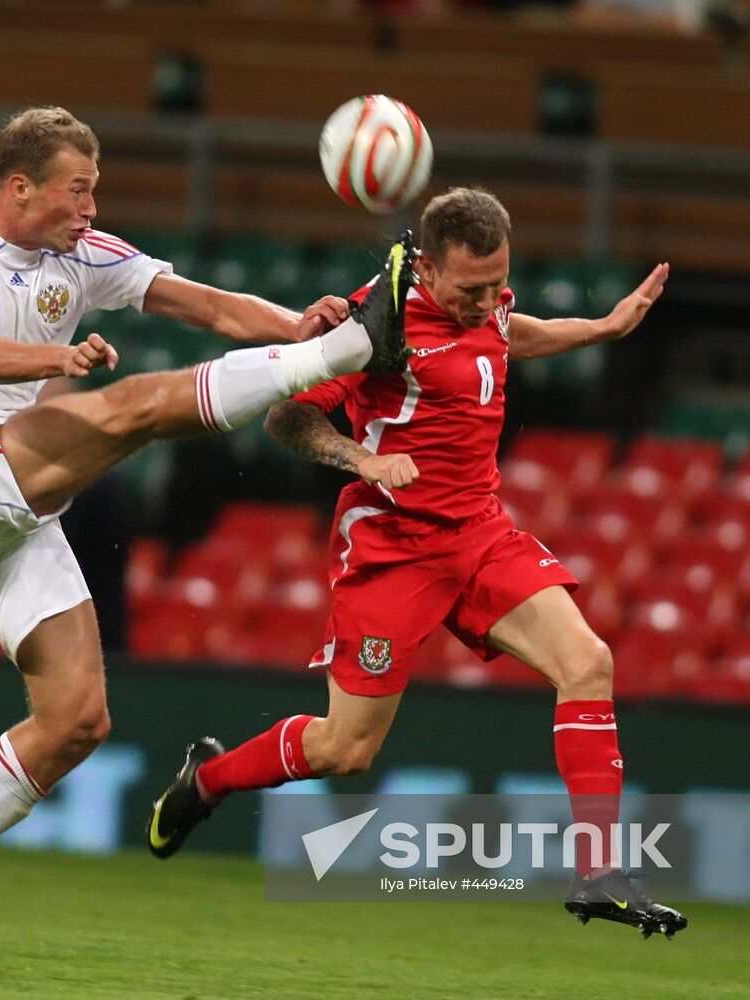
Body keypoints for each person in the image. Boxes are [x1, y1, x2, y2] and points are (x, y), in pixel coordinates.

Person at [0, 105, 414, 965]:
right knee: (132, 411)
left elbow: (208, 305)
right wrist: (59, 359)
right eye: (77, 190)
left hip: (8, 502)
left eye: (96, 189)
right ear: (19, 186)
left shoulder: (82, 254)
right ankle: (346, 357)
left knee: (78, 720)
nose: (91, 207)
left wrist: (300, 324)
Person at [146, 186, 688, 939]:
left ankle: (598, 875)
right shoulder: (377, 323)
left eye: (497, 284)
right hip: (395, 546)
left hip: (479, 532)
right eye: (469, 290)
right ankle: (207, 781)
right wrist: (360, 459)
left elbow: (507, 333)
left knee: (588, 663)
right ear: (427, 270)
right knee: (347, 748)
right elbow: (286, 415)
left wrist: (600, 328)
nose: (486, 301)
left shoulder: (485, 297)